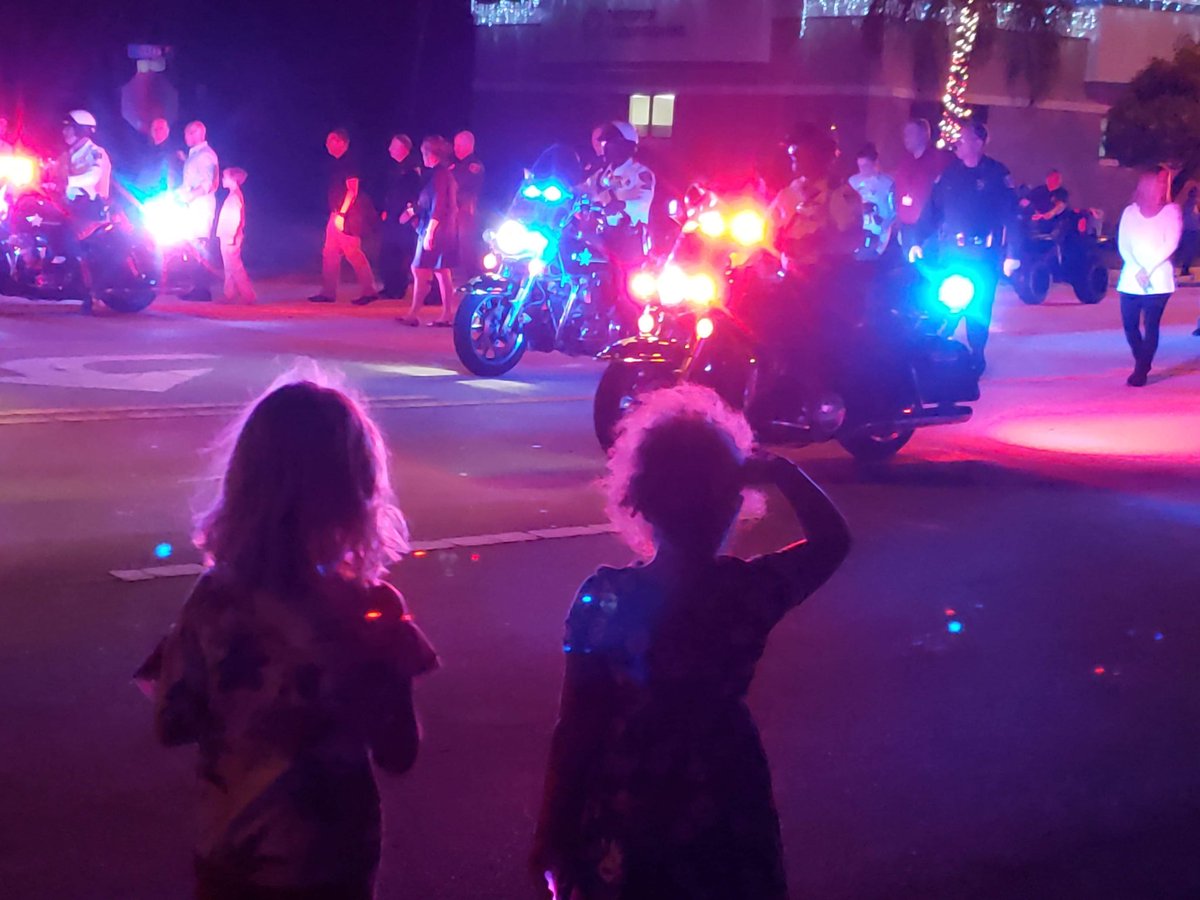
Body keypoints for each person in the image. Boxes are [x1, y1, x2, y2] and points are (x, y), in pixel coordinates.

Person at [532, 384, 850, 900]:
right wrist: (779, 470)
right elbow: (832, 542)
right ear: (732, 503)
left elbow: (576, 727)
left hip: (627, 802)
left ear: (638, 498)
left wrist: (552, 831)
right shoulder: (743, 593)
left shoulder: (606, 597)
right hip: (723, 796)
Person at [134, 376, 438, 900]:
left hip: (231, 851)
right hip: (330, 858)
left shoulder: (215, 602)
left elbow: (171, 722)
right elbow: (398, 751)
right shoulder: (372, 610)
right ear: (358, 489)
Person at [911, 121, 1021, 375]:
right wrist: (917, 239)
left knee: (979, 308)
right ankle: (938, 349)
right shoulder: (950, 174)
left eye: (963, 139)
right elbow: (932, 210)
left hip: (984, 255)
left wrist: (1013, 253)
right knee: (943, 302)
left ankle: (977, 354)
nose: (957, 143)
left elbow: (1011, 216)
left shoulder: (997, 175)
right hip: (952, 254)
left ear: (979, 143)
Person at [1116, 167, 1182, 386]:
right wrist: (1138, 268)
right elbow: (1124, 245)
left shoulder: (1172, 211)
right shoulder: (1130, 212)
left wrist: (1149, 268)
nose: (1157, 188)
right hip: (1131, 279)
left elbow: (1170, 243)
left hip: (1158, 281)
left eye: (1160, 185)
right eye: (1153, 184)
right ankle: (1142, 360)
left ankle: (1141, 370)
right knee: (1130, 325)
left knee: (1151, 324)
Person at [311, 128, 378, 304]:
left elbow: (352, 190)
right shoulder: (337, 163)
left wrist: (342, 213)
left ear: (342, 142)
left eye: (331, 141)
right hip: (336, 213)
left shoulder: (350, 163)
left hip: (348, 215)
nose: (327, 145)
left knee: (353, 252)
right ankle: (328, 292)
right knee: (330, 252)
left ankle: (369, 290)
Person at [400, 136, 458, 327]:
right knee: (441, 270)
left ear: (432, 154)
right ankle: (447, 314)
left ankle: (414, 314)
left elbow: (439, 204)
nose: (423, 156)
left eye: (425, 152)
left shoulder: (440, 175)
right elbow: (429, 201)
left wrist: (430, 231)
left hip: (435, 228)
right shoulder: (439, 174)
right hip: (440, 228)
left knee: (419, 268)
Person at [59, 110, 112, 315]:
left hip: (91, 209)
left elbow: (93, 174)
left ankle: (90, 291)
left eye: (69, 127)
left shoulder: (95, 152)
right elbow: (56, 171)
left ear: (81, 130)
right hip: (72, 207)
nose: (64, 131)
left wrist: (69, 182)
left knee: (69, 238)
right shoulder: (68, 153)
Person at [371, 133, 423, 304]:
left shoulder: (412, 168)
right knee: (387, 252)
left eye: (393, 146)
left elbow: (415, 195)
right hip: (392, 215)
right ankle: (389, 286)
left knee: (400, 253)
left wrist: (408, 213)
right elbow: (390, 193)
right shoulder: (394, 168)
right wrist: (385, 209)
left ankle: (398, 288)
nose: (389, 149)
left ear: (403, 148)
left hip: (404, 218)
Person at [178, 121, 221, 302]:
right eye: (186, 133)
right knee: (193, 248)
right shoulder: (195, 155)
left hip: (200, 207)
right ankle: (198, 287)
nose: (187, 136)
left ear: (201, 134)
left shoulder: (204, 156)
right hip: (193, 206)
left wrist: (189, 197)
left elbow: (207, 184)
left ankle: (202, 290)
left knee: (199, 248)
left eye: (191, 133)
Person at [892, 118, 950, 251]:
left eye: (911, 133)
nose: (906, 138)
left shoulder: (939, 160)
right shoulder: (905, 161)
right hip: (906, 226)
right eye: (905, 134)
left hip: (928, 228)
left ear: (924, 134)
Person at [587, 121, 655, 231]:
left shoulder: (641, 173)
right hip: (604, 232)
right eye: (604, 144)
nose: (605, 148)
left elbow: (643, 202)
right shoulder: (604, 173)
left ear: (624, 145)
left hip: (632, 234)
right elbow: (589, 189)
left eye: (608, 143)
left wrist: (623, 205)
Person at [848, 142, 897, 258]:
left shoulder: (888, 182)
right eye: (860, 166)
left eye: (866, 166)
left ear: (875, 163)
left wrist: (885, 224)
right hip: (859, 233)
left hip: (881, 234)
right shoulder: (852, 183)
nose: (862, 170)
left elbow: (894, 209)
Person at [216, 167, 256, 305]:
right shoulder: (233, 195)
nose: (222, 179)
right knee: (229, 267)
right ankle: (230, 294)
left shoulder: (234, 197)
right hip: (227, 236)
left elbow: (235, 218)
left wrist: (230, 237)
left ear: (233, 179)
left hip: (230, 237)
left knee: (235, 267)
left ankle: (247, 295)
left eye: (225, 177)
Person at [451, 130, 485, 276]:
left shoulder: (474, 166)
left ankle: (474, 277)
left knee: (468, 246)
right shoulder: (455, 165)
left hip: (466, 211)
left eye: (458, 145)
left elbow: (462, 184)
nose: (455, 148)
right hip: (455, 210)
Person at [1026, 169, 1070, 235]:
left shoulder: (1062, 192)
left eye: (1058, 178)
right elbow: (1027, 201)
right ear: (1048, 179)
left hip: (1054, 224)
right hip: (1036, 223)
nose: (1058, 180)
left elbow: (1060, 206)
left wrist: (1050, 213)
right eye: (1055, 178)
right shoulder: (1039, 190)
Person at [1174, 184, 1199, 279]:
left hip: (1188, 230)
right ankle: (1184, 269)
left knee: (1187, 251)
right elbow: (1194, 217)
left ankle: (1184, 268)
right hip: (1191, 230)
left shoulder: (1188, 204)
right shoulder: (1192, 204)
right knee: (1189, 251)